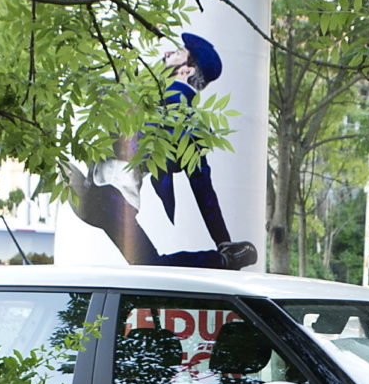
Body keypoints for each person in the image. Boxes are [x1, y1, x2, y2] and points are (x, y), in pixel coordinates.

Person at [68, 34, 258, 270]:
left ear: (186, 71)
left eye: (178, 53)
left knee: (148, 265)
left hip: (112, 193)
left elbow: (202, 187)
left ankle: (224, 259)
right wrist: (223, 241)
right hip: (108, 192)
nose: (167, 54)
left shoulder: (186, 118)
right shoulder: (145, 92)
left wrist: (224, 243)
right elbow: (203, 190)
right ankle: (224, 258)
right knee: (148, 265)